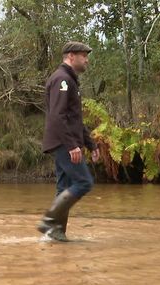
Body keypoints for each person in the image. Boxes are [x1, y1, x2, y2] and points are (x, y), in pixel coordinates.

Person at [38, 41, 100, 242]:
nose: (87, 60)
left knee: (64, 187)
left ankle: (56, 233)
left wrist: (90, 144)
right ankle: (49, 221)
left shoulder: (69, 80)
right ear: (71, 56)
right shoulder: (62, 80)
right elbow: (57, 116)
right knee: (84, 182)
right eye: (84, 56)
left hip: (65, 141)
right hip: (64, 143)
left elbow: (75, 119)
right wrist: (72, 145)